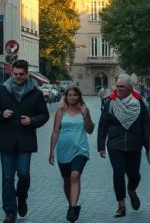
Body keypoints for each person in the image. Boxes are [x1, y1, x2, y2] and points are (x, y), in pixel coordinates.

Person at [0, 59, 50, 223]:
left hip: (25, 140)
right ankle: (10, 212)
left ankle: (21, 197)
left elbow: (44, 115)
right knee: (7, 177)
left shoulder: (35, 93)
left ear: (27, 74)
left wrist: (32, 121)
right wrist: (1, 115)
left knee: (23, 174)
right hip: (6, 140)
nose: (18, 77)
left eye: (21, 74)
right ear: (12, 73)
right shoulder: (3, 90)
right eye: (15, 74)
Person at [97, 74, 150, 218]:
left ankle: (132, 189)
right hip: (115, 144)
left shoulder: (139, 103)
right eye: (118, 86)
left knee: (134, 174)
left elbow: (146, 125)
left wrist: (148, 147)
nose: (119, 89)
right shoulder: (110, 102)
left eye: (122, 87)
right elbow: (103, 124)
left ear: (130, 88)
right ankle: (121, 204)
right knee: (118, 172)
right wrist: (101, 145)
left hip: (134, 144)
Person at [49, 86, 95, 222]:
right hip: (63, 150)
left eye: (75, 95)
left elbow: (90, 130)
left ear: (79, 96)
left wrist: (86, 116)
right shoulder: (60, 112)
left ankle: (73, 208)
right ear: (66, 97)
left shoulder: (84, 111)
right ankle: (71, 204)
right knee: (67, 180)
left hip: (80, 149)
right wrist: (51, 151)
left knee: (75, 176)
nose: (72, 97)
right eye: (70, 95)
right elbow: (55, 132)